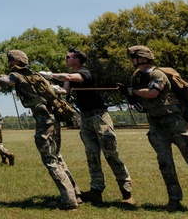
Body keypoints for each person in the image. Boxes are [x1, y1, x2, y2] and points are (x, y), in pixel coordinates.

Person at [0, 50, 81, 210]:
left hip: (44, 120)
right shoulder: (35, 75)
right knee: (57, 156)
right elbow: (60, 91)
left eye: (10, 61)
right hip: (54, 118)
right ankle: (76, 193)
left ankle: (68, 199)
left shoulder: (16, 75)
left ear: (14, 62)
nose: (8, 64)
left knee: (49, 159)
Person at [127, 45, 188, 213]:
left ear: (142, 57)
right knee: (165, 164)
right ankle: (174, 200)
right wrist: (130, 96)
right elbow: (141, 100)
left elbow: (152, 93)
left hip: (175, 123)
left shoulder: (157, 74)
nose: (131, 59)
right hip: (155, 123)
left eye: (133, 56)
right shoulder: (137, 76)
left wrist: (132, 91)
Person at [40, 48, 133, 206]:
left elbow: (70, 77)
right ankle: (96, 191)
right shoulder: (70, 76)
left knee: (111, 154)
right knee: (92, 156)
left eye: (67, 56)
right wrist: (51, 87)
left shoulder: (84, 72)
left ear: (76, 59)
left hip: (100, 118)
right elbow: (64, 90)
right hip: (86, 118)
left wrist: (50, 75)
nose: (66, 58)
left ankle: (127, 193)